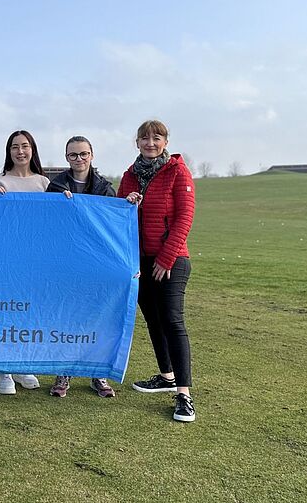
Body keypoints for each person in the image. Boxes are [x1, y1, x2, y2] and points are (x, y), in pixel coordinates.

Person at [118, 120, 196, 422]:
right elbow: (119, 217)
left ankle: (184, 395)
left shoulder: (178, 171)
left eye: (157, 138)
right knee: (153, 320)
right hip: (141, 262)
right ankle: (167, 376)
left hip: (172, 260)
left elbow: (184, 217)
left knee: (173, 321)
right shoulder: (129, 176)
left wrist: (166, 258)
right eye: (145, 138)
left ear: (165, 142)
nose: (151, 143)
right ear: (137, 142)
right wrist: (128, 204)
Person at [45, 135, 118, 399]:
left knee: (97, 317)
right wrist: (59, 207)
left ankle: (97, 373)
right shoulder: (55, 187)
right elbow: (47, 225)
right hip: (66, 264)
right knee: (68, 317)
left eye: (83, 154)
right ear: (67, 158)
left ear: (92, 155)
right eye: (73, 155)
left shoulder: (105, 188)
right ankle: (64, 371)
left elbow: (115, 225)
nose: (79, 159)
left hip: (96, 264)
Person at [0, 130, 49, 395]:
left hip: (34, 258)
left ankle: (24, 364)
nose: (20, 151)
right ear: (9, 151)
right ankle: (4, 369)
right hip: (6, 258)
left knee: (28, 311)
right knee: (6, 310)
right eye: (15, 147)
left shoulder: (44, 183)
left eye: (25, 146)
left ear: (32, 149)